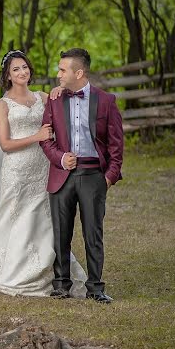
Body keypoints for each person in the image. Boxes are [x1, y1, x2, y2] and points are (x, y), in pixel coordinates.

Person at [0, 50, 87, 297]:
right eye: (15, 70)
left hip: (42, 168)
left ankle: (50, 272)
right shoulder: (3, 105)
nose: (22, 72)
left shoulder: (41, 97)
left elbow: (70, 99)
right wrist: (38, 136)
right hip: (17, 169)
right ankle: (7, 270)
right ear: (8, 76)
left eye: (24, 67)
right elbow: (6, 144)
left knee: (43, 218)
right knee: (10, 216)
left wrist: (58, 91)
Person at [40, 48, 123, 304]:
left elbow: (116, 145)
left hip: (92, 176)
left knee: (92, 233)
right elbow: (46, 139)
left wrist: (108, 177)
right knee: (61, 232)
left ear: (79, 72)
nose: (58, 74)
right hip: (62, 174)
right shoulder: (54, 100)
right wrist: (60, 159)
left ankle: (96, 287)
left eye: (62, 70)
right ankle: (62, 284)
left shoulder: (106, 101)